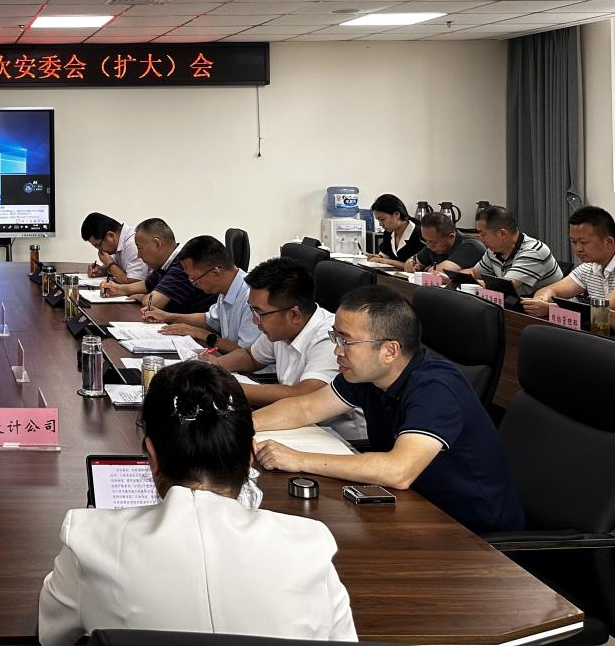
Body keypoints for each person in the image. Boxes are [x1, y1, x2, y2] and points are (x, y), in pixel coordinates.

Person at [37, 360, 356, 644]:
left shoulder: (88, 541)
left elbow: (52, 635)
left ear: (152, 456)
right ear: (250, 456)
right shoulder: (311, 547)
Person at [251, 287, 524, 535]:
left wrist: (297, 459)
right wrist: (240, 426)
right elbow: (304, 407)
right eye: (336, 337)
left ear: (390, 350)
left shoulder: (436, 389)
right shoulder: (365, 374)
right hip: (413, 509)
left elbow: (398, 471)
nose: (337, 351)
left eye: (346, 341)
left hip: (475, 535)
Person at [211, 257, 365, 441]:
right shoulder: (280, 328)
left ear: (294, 315)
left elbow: (303, 395)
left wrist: (223, 388)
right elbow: (250, 356)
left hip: (341, 440)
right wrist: (213, 368)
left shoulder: (330, 338)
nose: (254, 320)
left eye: (259, 313)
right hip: (299, 425)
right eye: (252, 310)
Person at [151, 236, 257, 353]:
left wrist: (201, 334)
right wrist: (169, 317)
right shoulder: (226, 289)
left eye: (194, 279)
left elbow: (248, 353)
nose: (193, 284)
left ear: (215, 273)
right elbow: (209, 319)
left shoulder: (252, 296)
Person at [98, 218, 212, 320]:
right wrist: (118, 289)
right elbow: (147, 284)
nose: (138, 255)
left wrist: (143, 296)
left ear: (157, 244)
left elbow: (152, 303)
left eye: (140, 248)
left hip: (198, 330)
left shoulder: (183, 264)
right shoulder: (166, 261)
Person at [522, 205, 615, 316]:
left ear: (609, 242)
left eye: (584, 242)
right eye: (574, 242)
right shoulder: (588, 268)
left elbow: (602, 310)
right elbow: (549, 290)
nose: (578, 249)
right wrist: (541, 300)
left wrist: (551, 309)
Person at [465, 205, 564, 296]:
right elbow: (474, 272)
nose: (480, 239)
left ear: (502, 234)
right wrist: (458, 277)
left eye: (483, 234)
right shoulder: (494, 250)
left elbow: (504, 287)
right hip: (518, 304)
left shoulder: (533, 251)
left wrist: (468, 283)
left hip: (549, 307)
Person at [405, 211, 486, 274]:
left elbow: (443, 271)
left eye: (434, 242)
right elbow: (413, 261)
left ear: (451, 237)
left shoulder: (471, 246)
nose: (429, 246)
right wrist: (411, 264)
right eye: (425, 241)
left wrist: (427, 269)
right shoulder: (432, 245)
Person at [80, 212, 146, 283]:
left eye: (98, 245)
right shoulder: (118, 242)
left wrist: (109, 263)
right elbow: (120, 267)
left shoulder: (132, 244)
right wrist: (102, 270)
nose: (100, 250)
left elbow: (133, 283)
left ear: (111, 236)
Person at [367, 194, 425, 267]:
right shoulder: (388, 233)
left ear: (397, 214)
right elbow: (386, 255)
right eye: (378, 220)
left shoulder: (420, 235)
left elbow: (415, 266)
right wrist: (377, 257)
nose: (380, 224)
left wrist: (385, 261)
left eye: (382, 219)